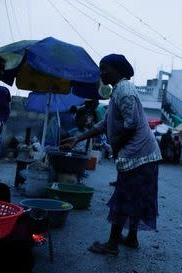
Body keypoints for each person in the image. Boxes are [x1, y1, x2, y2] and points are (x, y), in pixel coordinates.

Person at [62, 54, 162, 256]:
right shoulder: (118, 90)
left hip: (138, 154)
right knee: (137, 197)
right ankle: (131, 238)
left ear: (119, 70)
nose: (102, 72)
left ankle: (112, 245)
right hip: (145, 154)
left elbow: (131, 124)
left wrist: (117, 147)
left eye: (105, 68)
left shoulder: (124, 89)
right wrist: (78, 138)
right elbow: (103, 125)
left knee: (124, 197)